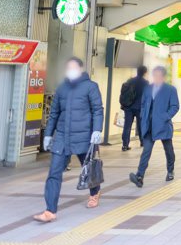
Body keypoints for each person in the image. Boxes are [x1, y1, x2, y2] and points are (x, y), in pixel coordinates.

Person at [33, 57, 104, 223]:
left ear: (80, 69)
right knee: (54, 173)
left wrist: (97, 130)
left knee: (89, 168)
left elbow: (97, 110)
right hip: (63, 138)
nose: (70, 70)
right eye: (68, 67)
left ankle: (94, 193)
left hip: (84, 137)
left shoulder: (90, 87)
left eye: (73, 67)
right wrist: (48, 134)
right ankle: (50, 210)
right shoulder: (62, 88)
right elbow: (54, 113)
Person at [129, 66, 180, 188]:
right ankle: (139, 176)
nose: (156, 77)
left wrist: (165, 116)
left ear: (164, 76)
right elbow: (143, 104)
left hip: (163, 125)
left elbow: (175, 106)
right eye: (154, 75)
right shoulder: (148, 88)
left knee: (168, 150)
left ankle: (170, 170)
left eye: (159, 75)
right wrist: (143, 116)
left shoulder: (170, 89)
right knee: (146, 151)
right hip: (149, 125)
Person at [119, 66, 148, 151]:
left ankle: (125, 145)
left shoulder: (130, 80)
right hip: (140, 107)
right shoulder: (145, 83)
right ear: (145, 72)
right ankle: (142, 142)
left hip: (128, 107)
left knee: (127, 126)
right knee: (140, 125)